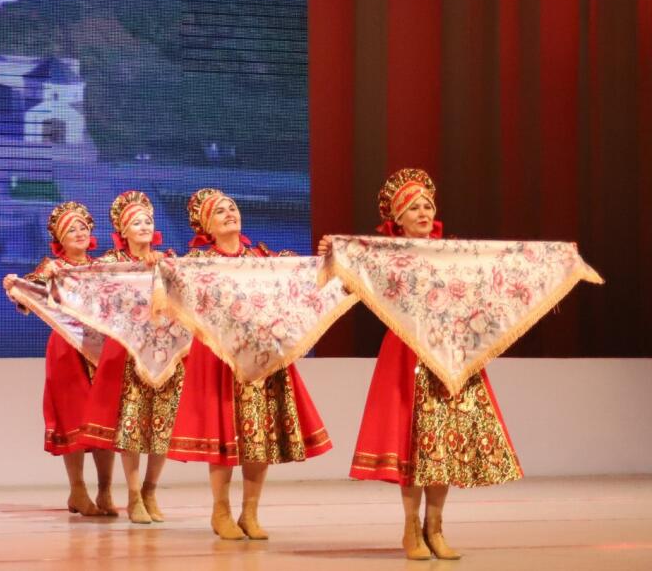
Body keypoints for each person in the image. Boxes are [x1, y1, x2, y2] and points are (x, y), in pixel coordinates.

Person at [319, 168, 522, 560]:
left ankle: (436, 528)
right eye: (413, 208)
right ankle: (411, 528)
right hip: (407, 351)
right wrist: (334, 252)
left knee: (443, 440)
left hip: (449, 354)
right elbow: (347, 281)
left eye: (428, 205)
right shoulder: (387, 256)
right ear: (398, 218)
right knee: (411, 442)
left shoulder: (452, 253)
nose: (424, 212)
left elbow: (488, 282)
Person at [182, 188, 332, 539]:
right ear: (206, 226)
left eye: (232, 207)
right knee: (223, 435)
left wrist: (328, 257)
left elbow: (301, 276)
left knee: (259, 433)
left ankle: (250, 513)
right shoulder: (199, 263)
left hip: (263, 356)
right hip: (221, 355)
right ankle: (221, 511)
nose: (229, 213)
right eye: (219, 211)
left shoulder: (262, 257)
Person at [2, 201, 118, 518]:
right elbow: (27, 294)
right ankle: (78, 489)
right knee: (74, 416)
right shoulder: (51, 268)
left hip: (103, 349)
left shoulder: (103, 267)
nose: (79, 233)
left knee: (104, 419)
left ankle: (106, 490)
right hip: (67, 350)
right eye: (71, 230)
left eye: (83, 227)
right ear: (59, 239)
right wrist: (14, 286)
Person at [76, 191, 180, 524]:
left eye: (148, 221)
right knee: (132, 424)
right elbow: (84, 284)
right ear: (123, 231)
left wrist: (163, 269)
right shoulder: (110, 264)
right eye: (136, 222)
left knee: (162, 423)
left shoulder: (167, 260)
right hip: (127, 352)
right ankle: (134, 494)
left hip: (164, 352)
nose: (144, 226)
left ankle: (150, 490)